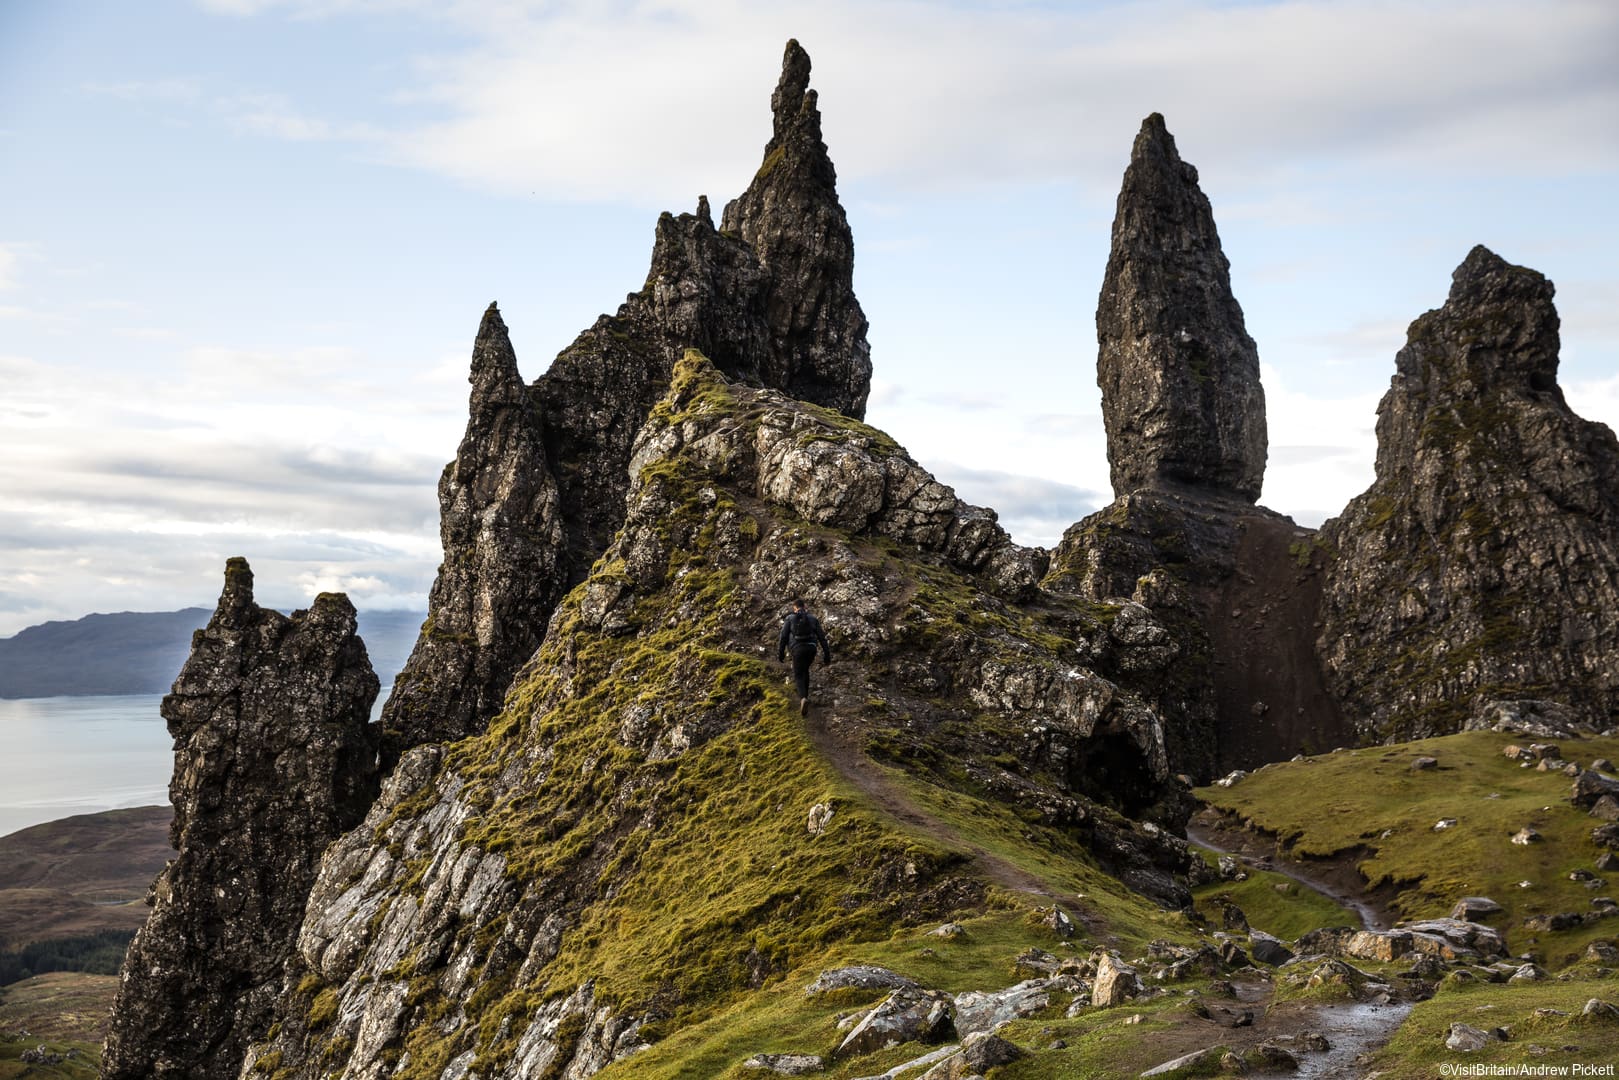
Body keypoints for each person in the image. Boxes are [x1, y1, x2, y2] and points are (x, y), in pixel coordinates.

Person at [776, 598, 832, 715]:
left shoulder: (790, 618)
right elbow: (822, 637)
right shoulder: (813, 619)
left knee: (798, 674)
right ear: (805, 606)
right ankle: (805, 697)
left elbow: (783, 637)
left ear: (794, 607)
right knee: (805, 670)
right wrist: (827, 654)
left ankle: (803, 698)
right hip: (811, 649)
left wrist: (780, 653)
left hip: (797, 649)